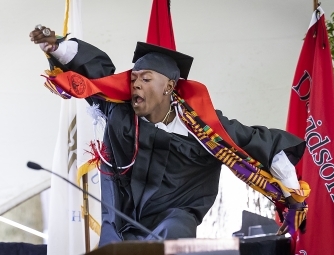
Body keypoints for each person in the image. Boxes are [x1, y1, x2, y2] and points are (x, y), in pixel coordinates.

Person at [29, 25, 309, 246]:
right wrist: (57, 47)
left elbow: (263, 144)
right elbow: (97, 76)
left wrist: (293, 194)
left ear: (169, 87)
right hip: (122, 220)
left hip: (175, 218)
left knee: (174, 232)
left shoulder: (205, 129)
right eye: (134, 78)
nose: (136, 84)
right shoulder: (121, 116)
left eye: (146, 79)